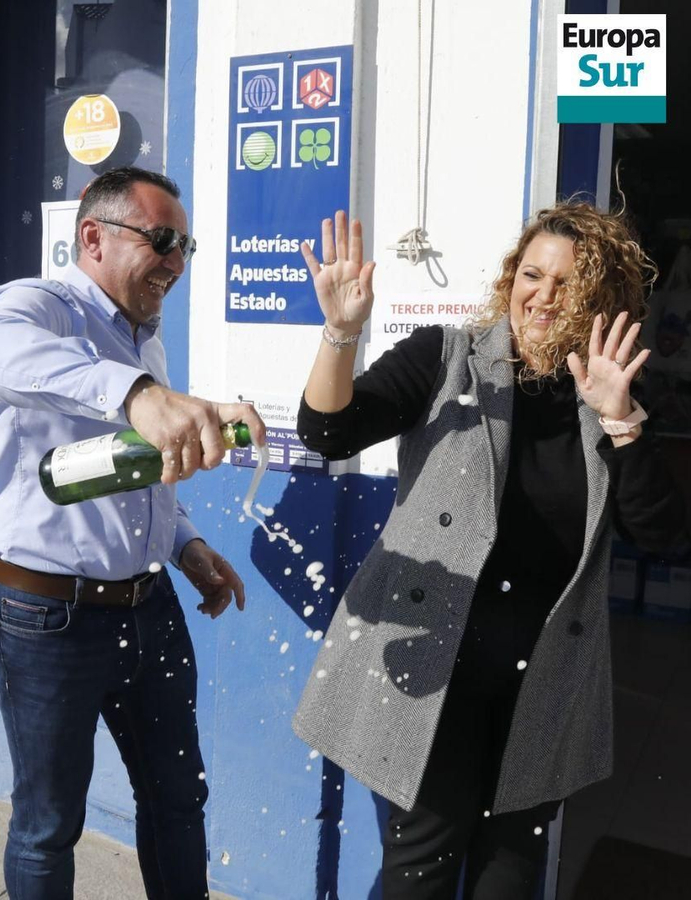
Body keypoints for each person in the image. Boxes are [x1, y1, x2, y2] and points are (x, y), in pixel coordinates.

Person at [292, 206, 687, 898]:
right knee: (422, 869)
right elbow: (329, 433)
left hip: (543, 685)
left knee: (511, 880)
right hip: (435, 675)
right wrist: (342, 333)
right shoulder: (445, 359)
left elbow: (664, 535)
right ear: (512, 279)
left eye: (569, 283)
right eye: (532, 274)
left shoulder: (610, 392)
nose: (544, 294)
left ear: (599, 300)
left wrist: (621, 419)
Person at [0, 165, 266, 899]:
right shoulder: (40, 306)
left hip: (146, 605)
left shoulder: (144, 341)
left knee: (179, 798)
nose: (176, 263)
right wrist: (133, 393)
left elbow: (134, 473)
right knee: (48, 822)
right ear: (92, 236)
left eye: (185, 246)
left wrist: (187, 547)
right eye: (162, 240)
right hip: (44, 615)